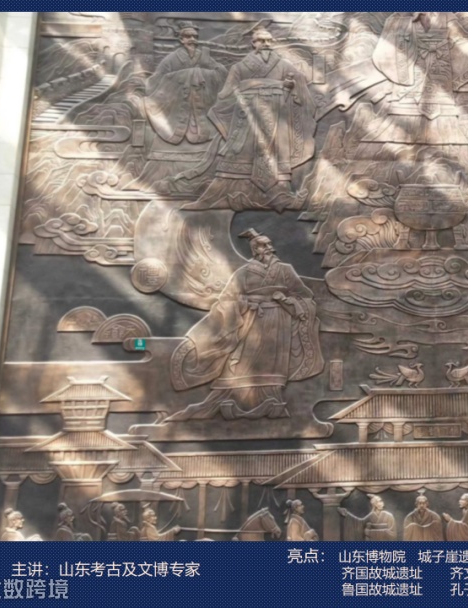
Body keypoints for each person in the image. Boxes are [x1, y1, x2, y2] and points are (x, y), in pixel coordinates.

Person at [167, 228, 324, 421]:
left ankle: (272, 401)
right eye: (264, 245)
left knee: (273, 364)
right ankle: (222, 400)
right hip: (251, 320)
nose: (270, 248)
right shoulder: (244, 272)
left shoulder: (285, 271)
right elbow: (227, 298)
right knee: (241, 363)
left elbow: (305, 295)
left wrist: (287, 300)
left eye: (269, 244)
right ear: (255, 249)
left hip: (279, 320)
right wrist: (243, 304)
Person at [184, 28, 316, 212]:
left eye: (269, 40)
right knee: (237, 152)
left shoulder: (284, 66)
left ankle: (281, 197)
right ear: (253, 43)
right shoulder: (239, 68)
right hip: (246, 117)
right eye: (261, 40)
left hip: (276, 117)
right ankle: (215, 196)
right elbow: (226, 93)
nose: (266, 44)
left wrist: (290, 86)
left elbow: (298, 85)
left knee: (276, 157)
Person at [366, 12, 468, 145]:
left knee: (445, 118)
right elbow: (388, 47)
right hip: (413, 71)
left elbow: (462, 41)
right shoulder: (399, 19)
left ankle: (449, 143)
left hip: (441, 71)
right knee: (403, 116)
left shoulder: (446, 16)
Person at [127, 21, 226, 191]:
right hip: (178, 104)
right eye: (188, 36)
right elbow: (158, 78)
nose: (192, 39)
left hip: (199, 104)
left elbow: (221, 72)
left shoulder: (203, 56)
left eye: (195, 36)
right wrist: (187, 76)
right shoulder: (172, 58)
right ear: (181, 39)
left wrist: (201, 74)